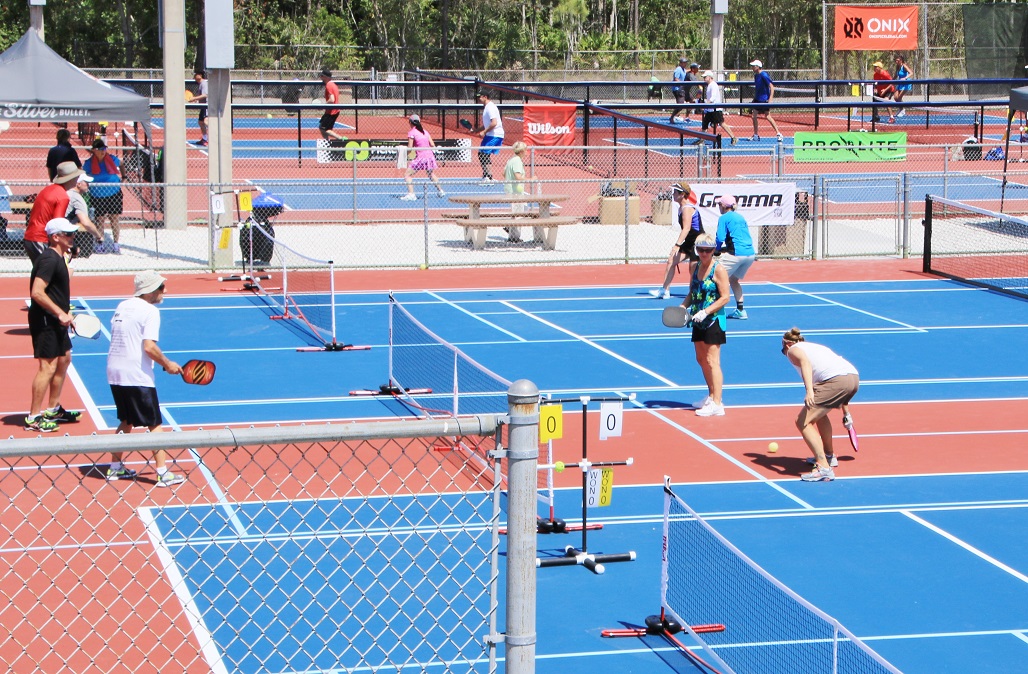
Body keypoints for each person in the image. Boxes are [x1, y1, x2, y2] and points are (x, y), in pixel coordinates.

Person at [105, 270, 186, 487]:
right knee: (154, 423)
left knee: (127, 420)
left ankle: (115, 468)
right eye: (161, 287)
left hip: (115, 372)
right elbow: (149, 347)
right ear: (150, 290)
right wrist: (167, 364)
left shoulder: (123, 305)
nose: (164, 291)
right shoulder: (150, 312)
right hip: (136, 376)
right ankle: (162, 473)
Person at [25, 218, 83, 433]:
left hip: (58, 317)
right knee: (47, 366)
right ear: (55, 237)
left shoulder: (60, 258)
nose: (72, 237)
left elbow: (59, 288)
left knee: (64, 359)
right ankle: (33, 417)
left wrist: (66, 312)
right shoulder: (48, 259)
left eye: (72, 234)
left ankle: (53, 409)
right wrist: (59, 313)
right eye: (68, 234)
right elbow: (37, 292)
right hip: (46, 320)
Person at [780, 328, 860, 482]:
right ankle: (829, 456)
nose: (785, 354)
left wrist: (809, 391)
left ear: (787, 344)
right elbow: (842, 378)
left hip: (835, 381)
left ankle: (823, 467)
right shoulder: (816, 348)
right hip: (853, 378)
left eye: (783, 350)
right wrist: (846, 413)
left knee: (802, 421)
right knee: (819, 415)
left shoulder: (793, 350)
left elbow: (805, 363)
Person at [682, 234, 731, 417]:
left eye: (708, 250)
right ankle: (711, 396)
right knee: (701, 359)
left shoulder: (718, 270)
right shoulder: (695, 268)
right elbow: (692, 293)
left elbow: (725, 297)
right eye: (701, 250)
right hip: (697, 320)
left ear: (713, 251)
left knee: (712, 361)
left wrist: (706, 311)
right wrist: (683, 307)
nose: (704, 253)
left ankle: (718, 403)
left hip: (713, 320)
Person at [650, 183, 703, 299]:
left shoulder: (687, 208)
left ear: (682, 194)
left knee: (693, 268)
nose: (673, 194)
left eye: (675, 192)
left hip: (698, 242)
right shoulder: (681, 208)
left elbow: (687, 228)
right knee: (671, 261)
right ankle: (665, 290)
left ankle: (694, 293)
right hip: (689, 241)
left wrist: (677, 245)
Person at [23, 162, 78, 263]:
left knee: (43, 274)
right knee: (50, 274)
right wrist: (72, 245)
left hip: (33, 237)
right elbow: (57, 225)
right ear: (71, 178)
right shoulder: (62, 196)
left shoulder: (49, 189)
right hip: (40, 239)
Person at [713, 194, 756, 319]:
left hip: (737, 254)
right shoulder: (740, 217)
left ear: (724, 206)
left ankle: (714, 309)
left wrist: (715, 250)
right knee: (732, 280)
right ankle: (741, 310)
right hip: (750, 254)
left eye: (719, 205)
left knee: (715, 277)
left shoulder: (724, 218)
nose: (718, 207)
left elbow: (720, 238)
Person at [82, 138, 123, 253]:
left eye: (104, 148)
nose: (102, 151)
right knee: (100, 219)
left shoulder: (113, 159)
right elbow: (83, 174)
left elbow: (122, 164)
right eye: (100, 149)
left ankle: (116, 243)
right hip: (97, 195)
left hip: (114, 193)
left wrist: (123, 177)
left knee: (114, 218)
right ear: (94, 150)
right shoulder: (88, 163)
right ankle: (100, 243)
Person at [400, 114, 446, 201]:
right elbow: (432, 144)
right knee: (430, 174)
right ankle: (441, 191)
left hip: (421, 157)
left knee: (407, 174)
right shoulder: (425, 131)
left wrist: (403, 155)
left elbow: (410, 148)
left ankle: (411, 194)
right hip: (430, 156)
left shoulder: (412, 132)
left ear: (410, 122)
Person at [748, 59, 782, 141]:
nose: (752, 67)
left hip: (764, 100)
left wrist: (770, 99)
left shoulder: (764, 75)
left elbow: (771, 86)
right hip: (757, 99)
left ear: (758, 67)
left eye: (753, 66)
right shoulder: (756, 76)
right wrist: (754, 99)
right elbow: (758, 88)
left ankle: (778, 133)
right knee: (754, 116)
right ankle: (756, 135)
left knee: (767, 116)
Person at [64, 172, 103, 245]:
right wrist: (98, 236)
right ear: (78, 184)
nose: (88, 185)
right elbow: (86, 223)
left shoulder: (65, 192)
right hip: (63, 232)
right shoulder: (77, 199)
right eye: (86, 182)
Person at [701, 70, 737, 144]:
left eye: (705, 77)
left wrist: (705, 104)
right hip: (710, 109)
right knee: (705, 124)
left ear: (710, 77)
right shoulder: (709, 85)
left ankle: (733, 137)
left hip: (716, 109)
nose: (704, 78)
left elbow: (713, 98)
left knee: (722, 123)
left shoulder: (713, 85)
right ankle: (702, 139)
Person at [476, 91, 505, 183]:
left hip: (495, 134)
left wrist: (484, 132)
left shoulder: (490, 107)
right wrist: (476, 130)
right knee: (482, 154)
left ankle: (488, 177)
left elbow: (494, 123)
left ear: (485, 96)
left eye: (479, 97)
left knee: (484, 154)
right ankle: (487, 176)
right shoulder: (487, 107)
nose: (478, 99)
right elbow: (487, 124)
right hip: (491, 134)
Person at [503, 141, 529, 242]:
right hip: (516, 191)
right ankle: (515, 237)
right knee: (519, 214)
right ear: (522, 151)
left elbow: (503, 173)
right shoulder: (517, 161)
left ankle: (510, 229)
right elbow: (518, 177)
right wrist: (530, 179)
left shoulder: (510, 160)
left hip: (510, 190)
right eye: (525, 150)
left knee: (516, 212)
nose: (526, 152)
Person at [318, 68, 345, 142]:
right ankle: (327, 142)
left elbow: (332, 99)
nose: (321, 78)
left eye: (322, 76)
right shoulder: (333, 85)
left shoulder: (329, 86)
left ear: (326, 77)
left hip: (331, 111)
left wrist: (323, 105)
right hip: (332, 111)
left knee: (325, 129)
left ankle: (341, 139)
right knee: (322, 127)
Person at [669, 57, 690, 124]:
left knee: (692, 100)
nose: (685, 64)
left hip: (682, 89)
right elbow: (676, 79)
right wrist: (683, 83)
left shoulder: (683, 69)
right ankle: (672, 117)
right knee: (680, 105)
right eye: (684, 62)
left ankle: (685, 116)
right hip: (677, 89)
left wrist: (692, 69)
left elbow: (686, 71)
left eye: (686, 62)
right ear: (680, 63)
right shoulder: (678, 69)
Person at [192, 70, 209, 146]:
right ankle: (205, 138)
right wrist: (195, 100)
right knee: (200, 122)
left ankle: (212, 137)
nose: (194, 76)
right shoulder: (200, 84)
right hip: (202, 106)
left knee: (206, 121)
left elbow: (205, 95)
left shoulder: (204, 83)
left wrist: (195, 98)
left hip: (206, 106)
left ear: (200, 75)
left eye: (196, 74)